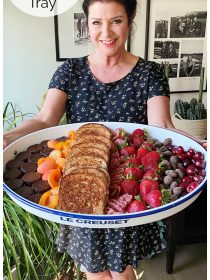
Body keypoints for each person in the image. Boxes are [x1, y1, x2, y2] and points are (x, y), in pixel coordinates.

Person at [3, 0, 206, 279]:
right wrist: (8, 137)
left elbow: (162, 126)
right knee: (93, 273)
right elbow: (44, 120)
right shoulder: (69, 71)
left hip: (125, 189)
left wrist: (200, 146)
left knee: (122, 273)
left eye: (116, 21)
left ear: (131, 19)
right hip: (81, 189)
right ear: (87, 23)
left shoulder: (150, 73)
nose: (106, 32)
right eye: (97, 22)